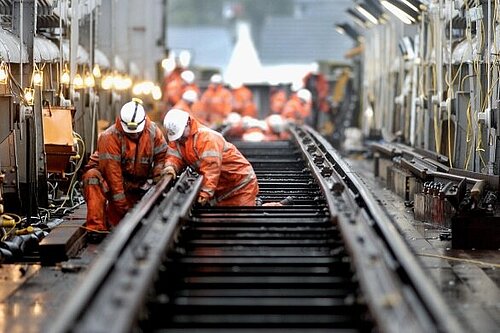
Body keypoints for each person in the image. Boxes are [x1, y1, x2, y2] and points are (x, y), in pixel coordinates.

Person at [82, 98, 168, 240]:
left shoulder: (153, 131)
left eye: (136, 132)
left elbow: (162, 156)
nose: (133, 134)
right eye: (130, 132)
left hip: (136, 184)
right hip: (112, 184)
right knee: (91, 176)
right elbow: (113, 176)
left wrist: (158, 175)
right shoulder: (109, 137)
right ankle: (96, 228)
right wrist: (123, 209)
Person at [162, 108, 259, 206]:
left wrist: (205, 192)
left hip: (240, 184)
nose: (179, 138)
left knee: (241, 217)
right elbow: (175, 155)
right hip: (222, 186)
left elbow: (211, 168)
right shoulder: (179, 139)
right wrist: (170, 166)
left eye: (181, 134)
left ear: (188, 123)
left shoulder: (206, 138)